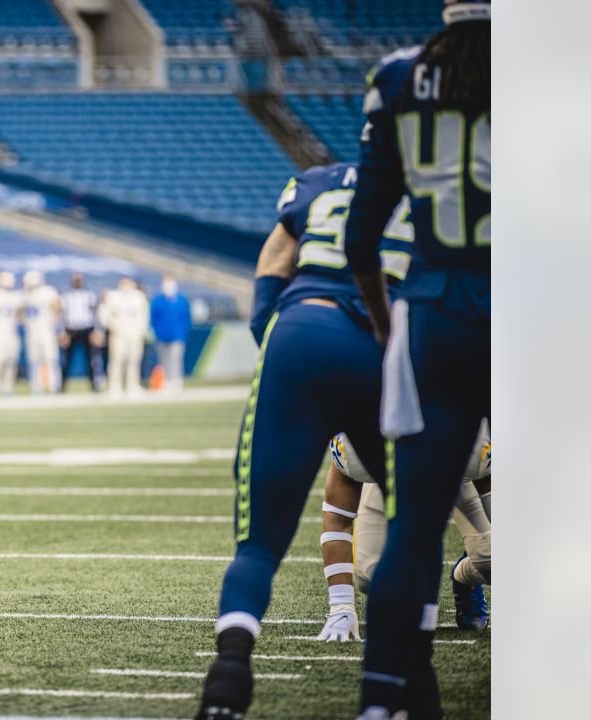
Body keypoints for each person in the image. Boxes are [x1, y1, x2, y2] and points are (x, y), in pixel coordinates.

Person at [195, 162, 412, 720]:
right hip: (379, 342)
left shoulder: (318, 182)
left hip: (298, 333)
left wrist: (269, 327)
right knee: (414, 532)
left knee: (259, 544)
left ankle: (227, 685)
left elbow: (274, 258)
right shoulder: (432, 180)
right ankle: (396, 694)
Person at [342, 3, 491, 716]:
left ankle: (386, 697)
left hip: (434, 311)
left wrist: (382, 324)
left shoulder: (402, 74)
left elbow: (360, 235)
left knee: (415, 523)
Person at [317, 425, 491, 643]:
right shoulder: (356, 446)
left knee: (494, 559)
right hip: (389, 483)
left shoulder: (470, 440)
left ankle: (465, 576)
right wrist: (341, 606)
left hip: (459, 475)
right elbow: (337, 518)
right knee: (372, 576)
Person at [99, 277, 150, 397]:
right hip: (119, 335)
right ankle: (114, 387)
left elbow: (144, 317)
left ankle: (133, 386)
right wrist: (115, 327)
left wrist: (140, 331)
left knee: (134, 361)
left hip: (135, 335)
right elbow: (104, 315)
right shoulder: (113, 297)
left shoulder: (139, 297)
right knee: (116, 361)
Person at [59, 273, 103, 392]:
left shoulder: (89, 294)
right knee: (66, 359)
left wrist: (97, 330)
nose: (78, 281)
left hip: (87, 328)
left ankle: (94, 385)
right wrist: (62, 331)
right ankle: (62, 386)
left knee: (91, 359)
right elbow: (61, 315)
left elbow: (96, 313)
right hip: (71, 329)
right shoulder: (66, 295)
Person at [21, 270, 61, 394]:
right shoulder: (25, 295)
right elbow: (21, 312)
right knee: (34, 360)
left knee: (50, 358)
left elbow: (57, 308)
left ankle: (54, 386)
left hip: (47, 330)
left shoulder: (48, 292)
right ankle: (37, 387)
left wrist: (57, 325)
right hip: (32, 331)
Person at [150, 276, 192, 393]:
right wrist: (157, 332)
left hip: (177, 335)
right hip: (162, 336)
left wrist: (182, 333)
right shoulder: (158, 301)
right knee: (164, 360)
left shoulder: (181, 300)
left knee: (176, 359)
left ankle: (176, 381)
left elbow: (186, 318)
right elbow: (154, 319)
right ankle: (166, 381)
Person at [0, 271, 23, 395]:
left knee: (11, 360)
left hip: (11, 332)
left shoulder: (15, 296)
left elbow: (19, 314)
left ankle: (7, 387)